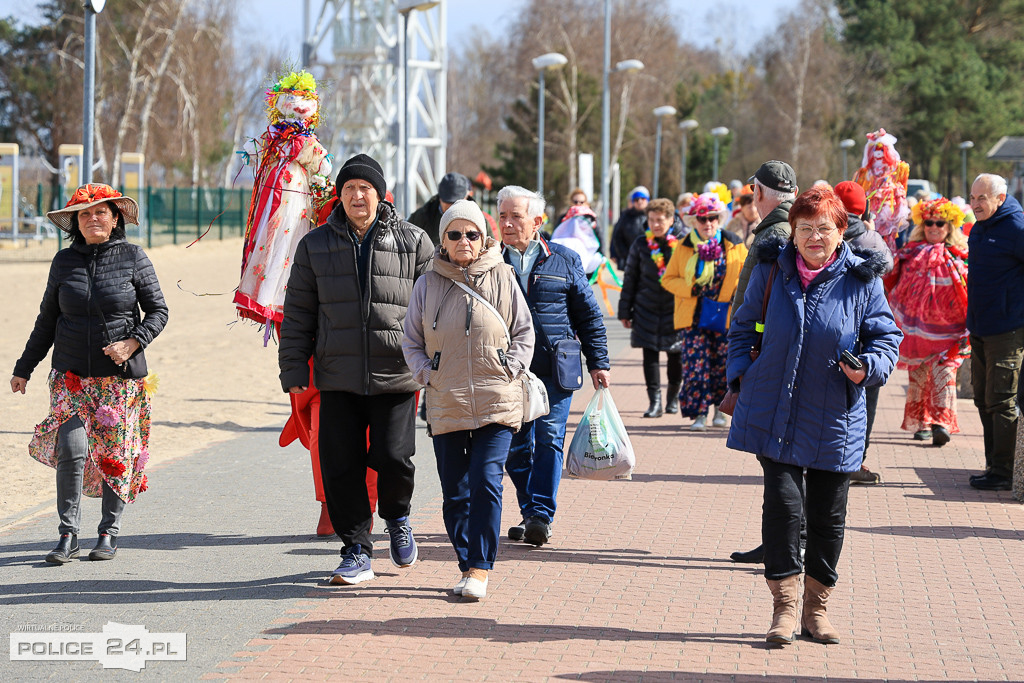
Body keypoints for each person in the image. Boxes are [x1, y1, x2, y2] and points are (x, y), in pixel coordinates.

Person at [726, 185, 902, 646]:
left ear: (840, 231)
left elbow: (887, 339)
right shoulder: (772, 269)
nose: (814, 238)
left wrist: (867, 368)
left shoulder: (863, 280)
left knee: (828, 518)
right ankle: (783, 609)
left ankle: (815, 609)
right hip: (775, 409)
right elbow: (744, 324)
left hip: (834, 415)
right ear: (794, 232)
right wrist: (742, 373)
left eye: (823, 229)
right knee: (783, 509)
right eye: (805, 229)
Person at [279, 153, 434, 584]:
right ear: (339, 196)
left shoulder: (414, 241)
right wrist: (293, 369)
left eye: (364, 188)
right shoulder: (315, 245)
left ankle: (398, 518)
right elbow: (298, 314)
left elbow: (434, 308)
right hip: (337, 376)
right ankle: (356, 549)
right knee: (340, 464)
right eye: (348, 189)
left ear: (380, 193)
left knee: (394, 457)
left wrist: (435, 365)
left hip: (397, 374)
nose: (357, 195)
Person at [11, 184, 168, 564]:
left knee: (115, 455)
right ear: (75, 224)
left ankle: (107, 533)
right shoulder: (63, 262)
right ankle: (67, 534)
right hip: (71, 377)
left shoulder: (133, 257)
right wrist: (23, 368)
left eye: (101, 213)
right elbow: (47, 318)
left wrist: (133, 342)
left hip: (118, 381)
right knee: (71, 449)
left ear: (115, 219)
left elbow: (159, 311)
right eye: (84, 214)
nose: (93, 219)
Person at [403, 200, 534, 600]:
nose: (464, 240)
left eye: (471, 234)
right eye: (454, 234)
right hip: (447, 400)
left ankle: (480, 568)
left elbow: (524, 332)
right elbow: (410, 340)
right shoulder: (427, 283)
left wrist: (510, 368)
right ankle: (465, 563)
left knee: (486, 480)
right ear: (442, 240)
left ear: (483, 237)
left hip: (498, 398)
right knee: (455, 490)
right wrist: (428, 374)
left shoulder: (504, 275)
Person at [498, 185, 611, 547]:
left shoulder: (563, 259)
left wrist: (599, 362)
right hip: (508, 370)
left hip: (555, 367)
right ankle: (531, 509)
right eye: (502, 216)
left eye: (516, 216)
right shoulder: (491, 261)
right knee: (515, 448)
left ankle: (540, 516)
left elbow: (589, 314)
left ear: (537, 221)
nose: (507, 223)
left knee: (548, 440)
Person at [727, 160, 797, 564]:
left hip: (766, 352)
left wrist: (746, 347)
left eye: (753, 191)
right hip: (763, 347)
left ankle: (786, 542)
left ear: (759, 193)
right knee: (774, 454)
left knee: (777, 455)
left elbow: (768, 301)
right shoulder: (780, 228)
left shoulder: (777, 232)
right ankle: (780, 539)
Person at [885, 197, 969, 448]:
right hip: (916, 331)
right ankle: (922, 423)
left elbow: (970, 286)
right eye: (930, 222)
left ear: (950, 226)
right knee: (919, 377)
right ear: (923, 224)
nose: (934, 227)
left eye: (940, 223)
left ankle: (941, 423)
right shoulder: (909, 253)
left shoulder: (961, 255)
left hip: (950, 330)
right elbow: (891, 279)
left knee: (945, 374)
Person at [661, 192, 747, 430]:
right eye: (702, 219)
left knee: (722, 365)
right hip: (693, 316)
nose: (708, 223)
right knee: (696, 366)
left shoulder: (733, 243)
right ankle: (699, 414)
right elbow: (668, 279)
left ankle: (720, 412)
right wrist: (690, 287)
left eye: (712, 218)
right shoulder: (684, 245)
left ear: (719, 218)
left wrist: (734, 292)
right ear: (694, 221)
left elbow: (746, 276)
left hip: (724, 314)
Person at [964, 173, 1024, 491]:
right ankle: (993, 464)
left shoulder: (1016, 227)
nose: (975, 204)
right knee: (982, 400)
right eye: (972, 198)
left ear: (1000, 198)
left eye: (981, 198)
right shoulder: (978, 229)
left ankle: (1004, 472)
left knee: (1001, 401)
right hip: (979, 327)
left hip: (1007, 330)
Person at [835, 181, 895, 485]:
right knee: (866, 396)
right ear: (864, 208)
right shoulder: (870, 236)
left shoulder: (826, 229)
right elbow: (889, 265)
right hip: (865, 330)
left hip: (833, 327)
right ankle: (856, 459)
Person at [618, 198, 686, 418]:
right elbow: (630, 278)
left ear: (671, 219)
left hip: (675, 308)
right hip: (646, 307)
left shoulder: (683, 243)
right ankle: (654, 402)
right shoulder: (640, 244)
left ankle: (673, 396)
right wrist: (624, 310)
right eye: (651, 220)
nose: (655, 224)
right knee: (650, 355)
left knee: (676, 355)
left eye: (660, 220)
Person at [732, 161, 798, 315]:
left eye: (754, 188)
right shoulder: (799, 226)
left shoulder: (774, 233)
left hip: (762, 336)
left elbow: (763, 299)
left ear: (758, 193)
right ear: (795, 193)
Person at [610, 186, 650, 269]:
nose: (640, 201)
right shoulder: (625, 217)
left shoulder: (653, 215)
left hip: (651, 260)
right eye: (636, 199)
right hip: (630, 261)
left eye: (643, 198)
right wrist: (626, 256)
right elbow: (617, 237)